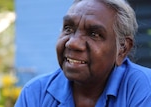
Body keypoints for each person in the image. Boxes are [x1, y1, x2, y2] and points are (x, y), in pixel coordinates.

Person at [15, 0, 151, 107]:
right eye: (68, 28)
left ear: (122, 48)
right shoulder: (35, 93)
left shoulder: (143, 88)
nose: (72, 43)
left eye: (94, 34)